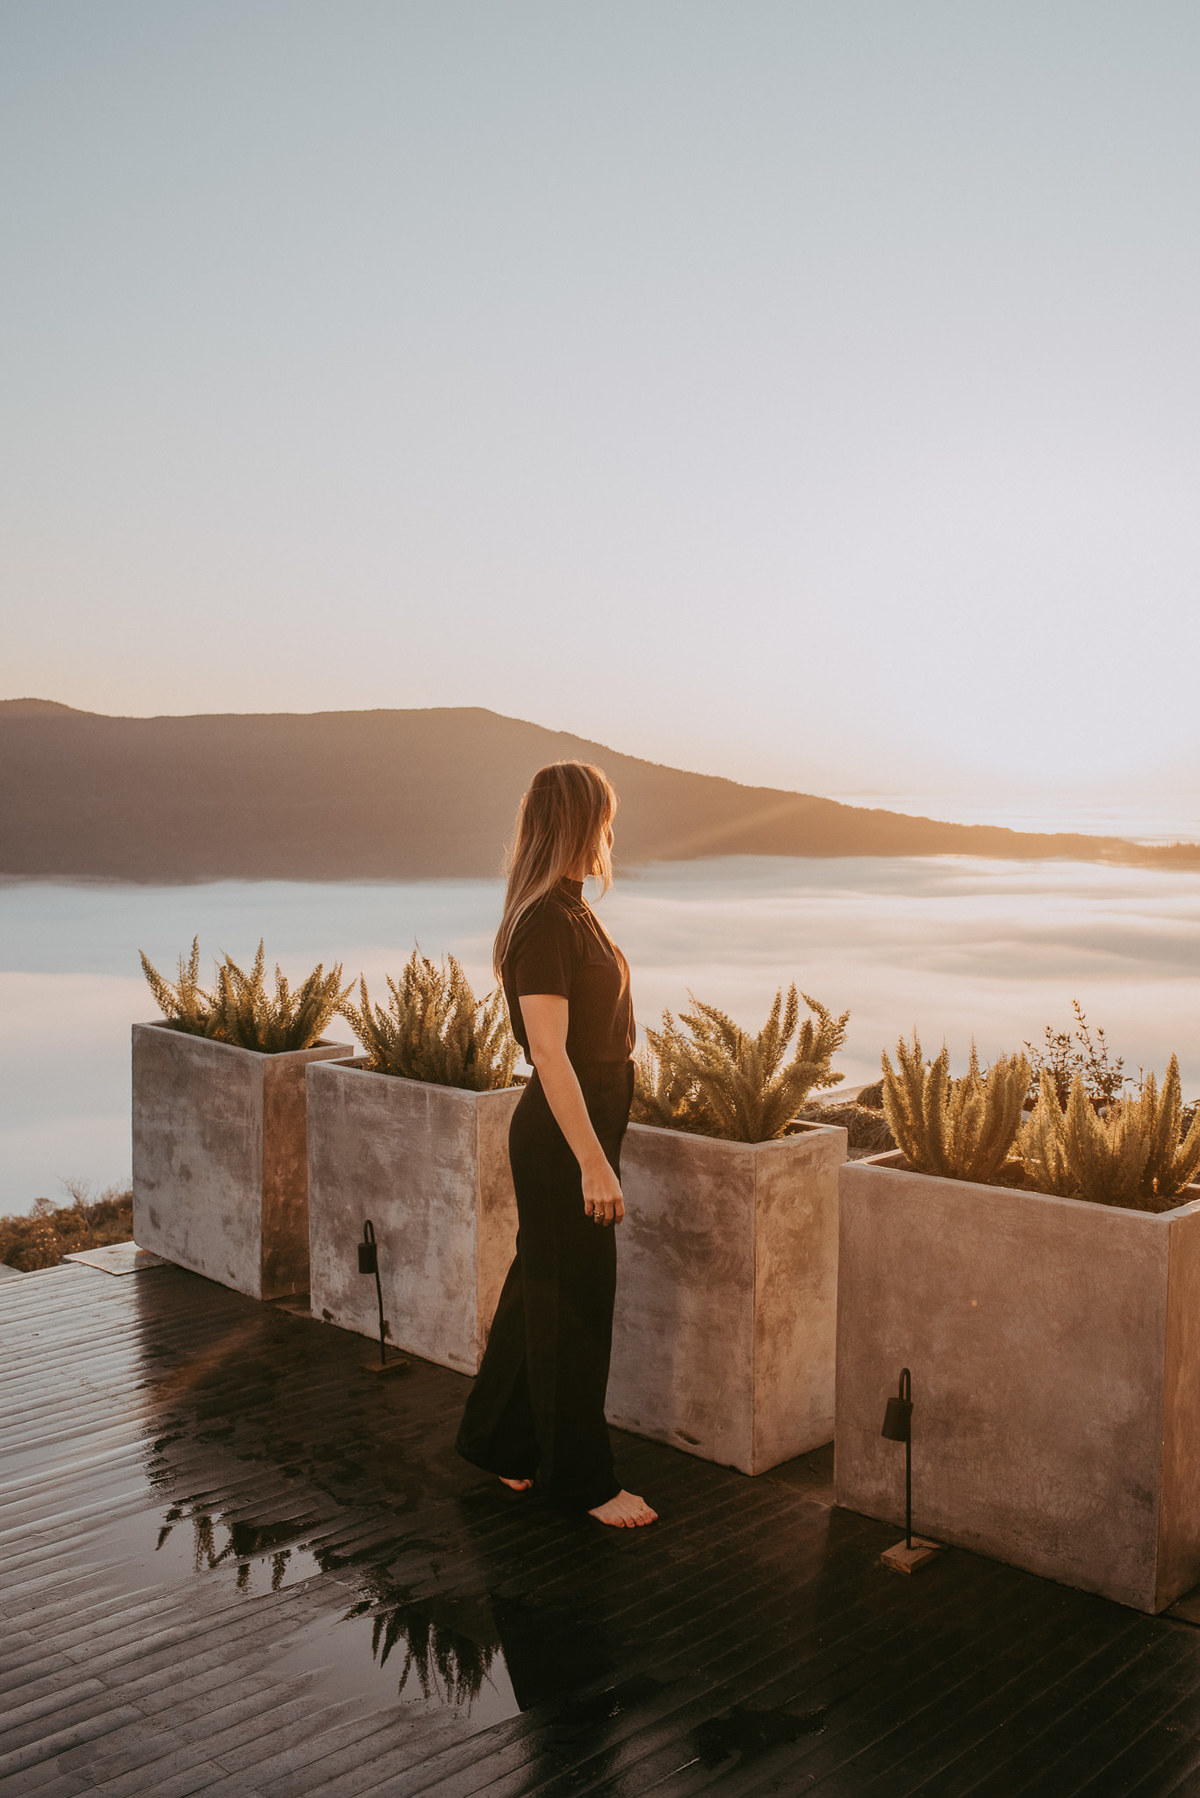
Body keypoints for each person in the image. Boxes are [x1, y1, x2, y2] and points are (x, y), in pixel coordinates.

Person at [455, 761, 657, 1528]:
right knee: (576, 1303)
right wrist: (594, 1162)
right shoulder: (546, 919)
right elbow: (549, 1052)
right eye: (604, 816)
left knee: (538, 1289)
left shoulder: (570, 910)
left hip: (583, 1126)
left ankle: (495, 1442)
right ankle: (582, 1480)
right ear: (581, 822)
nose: (611, 831)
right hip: (564, 1140)